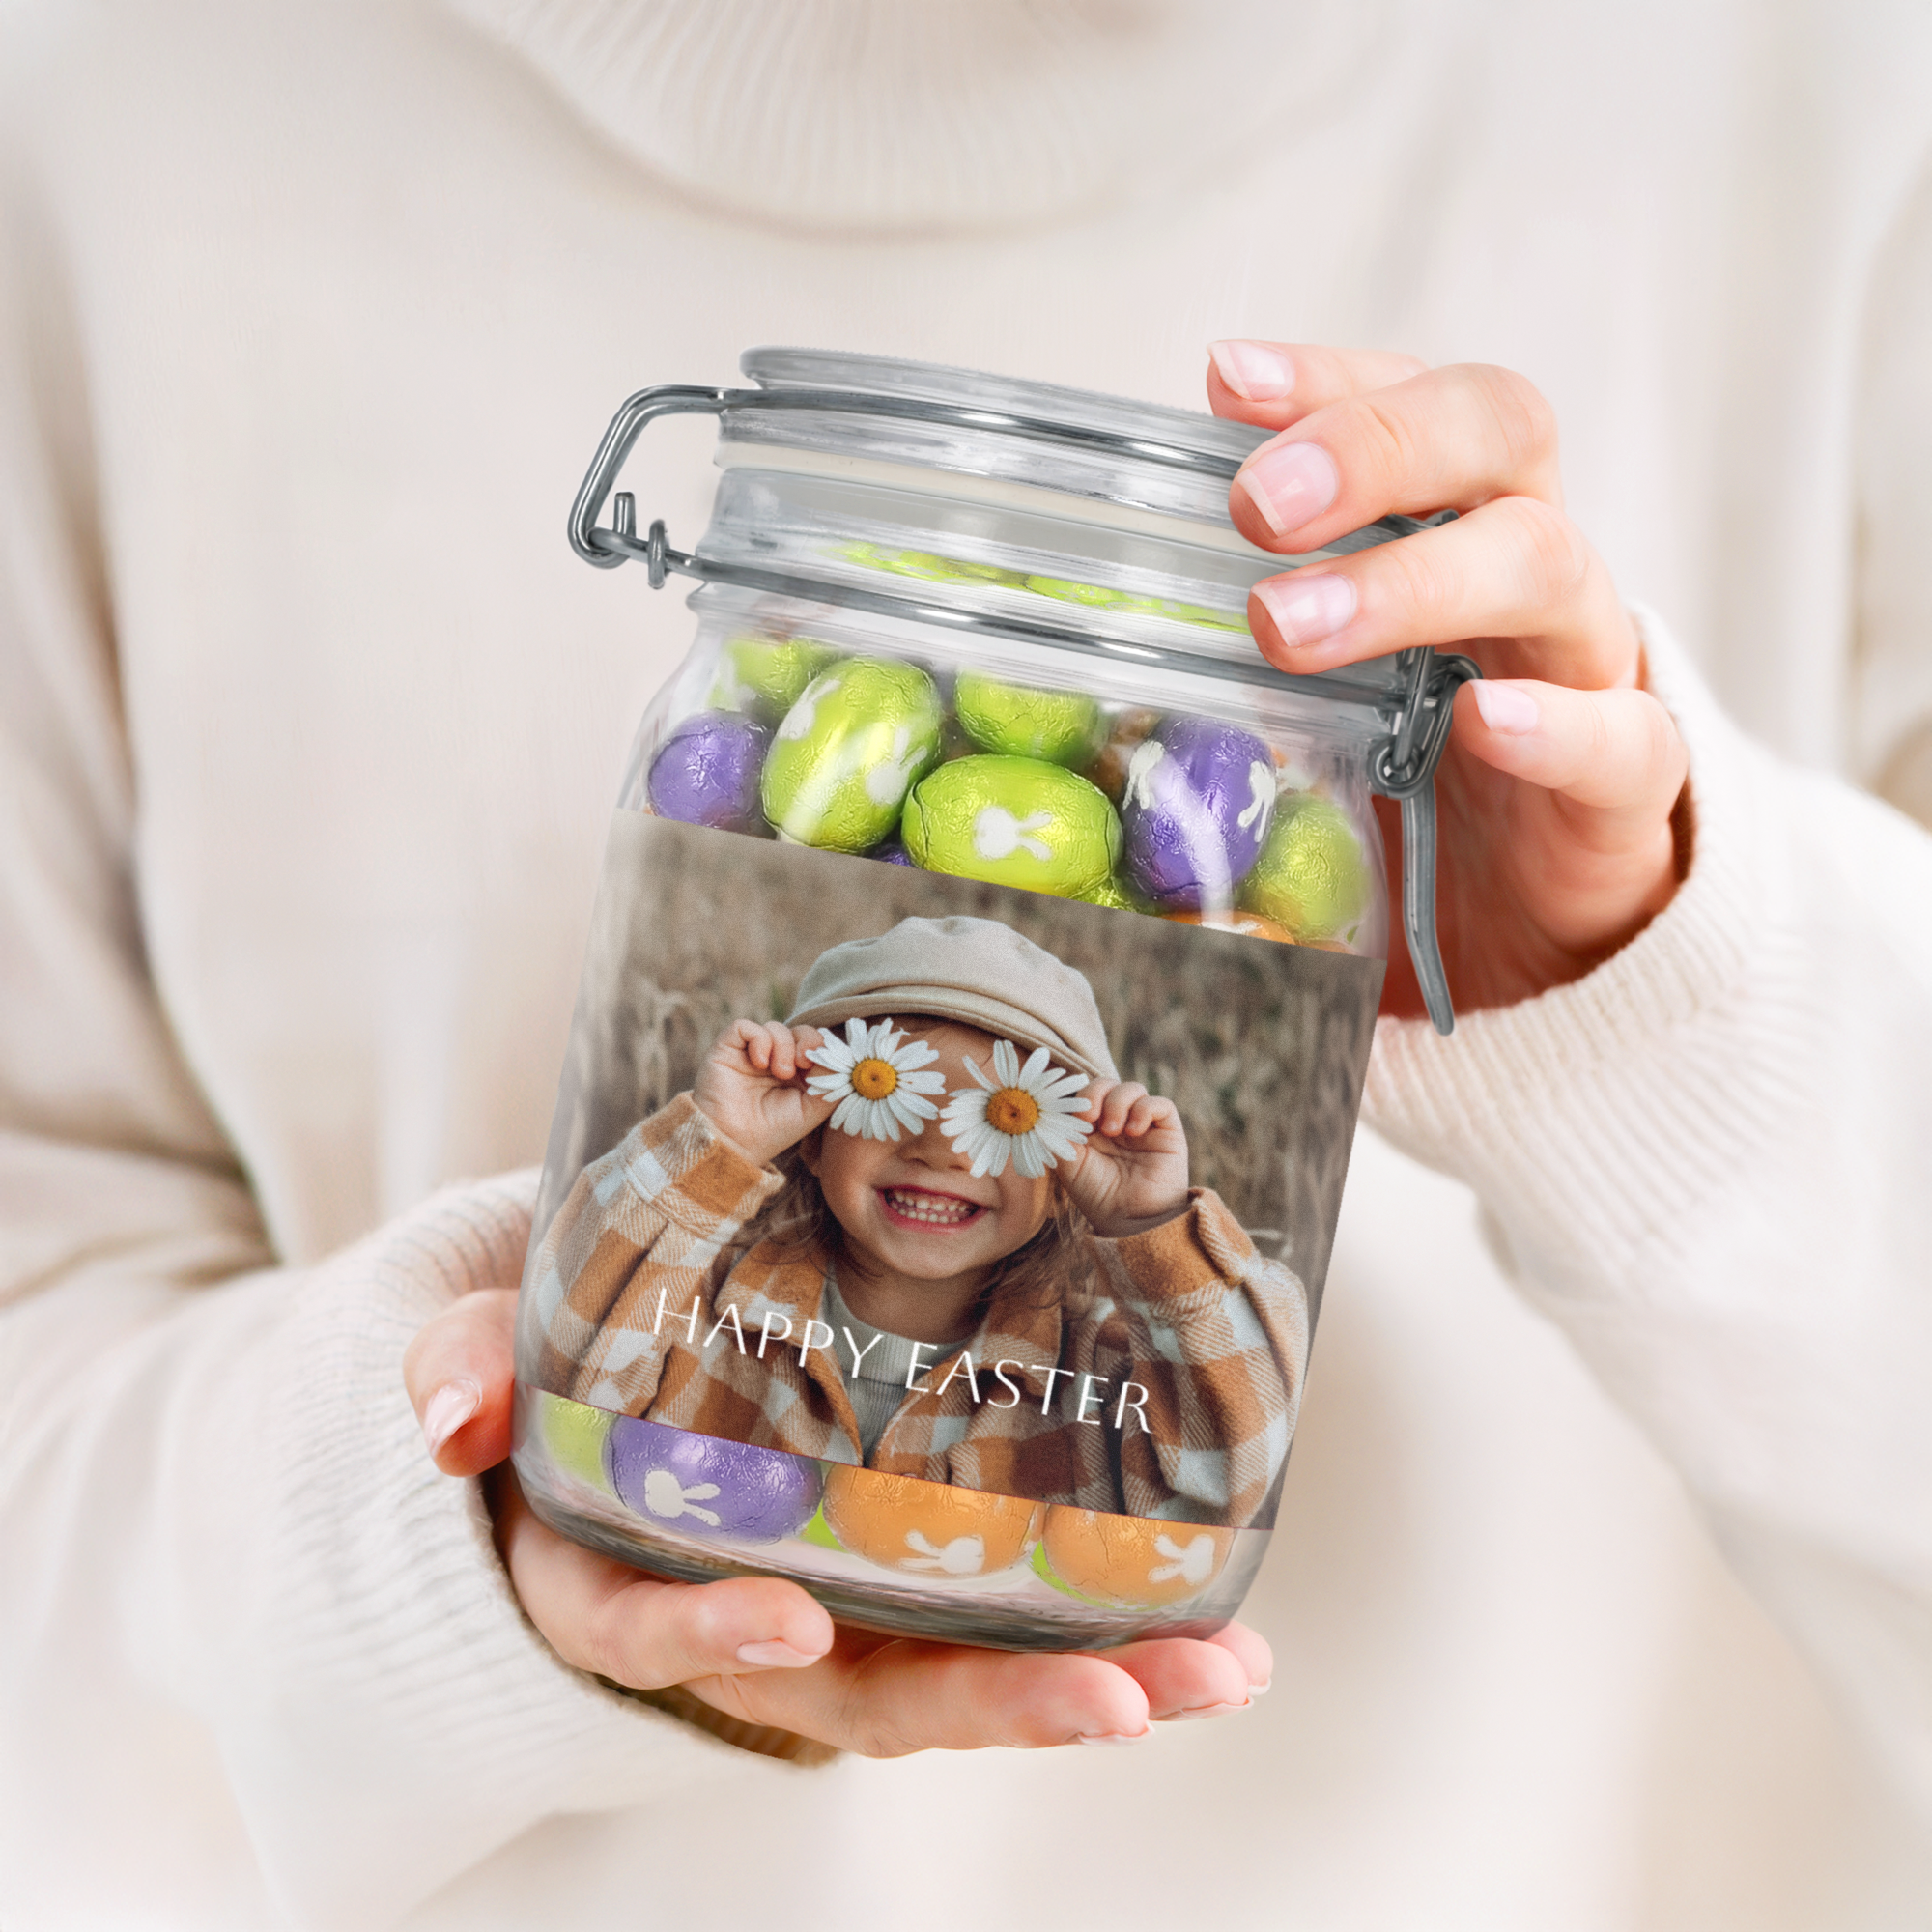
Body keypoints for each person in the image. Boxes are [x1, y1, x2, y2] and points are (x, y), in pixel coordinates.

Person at [4, 3, 1929, 1926]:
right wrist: (419, 1522)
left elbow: (1216, 1383)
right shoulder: (100, 124)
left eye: (1001, 1095)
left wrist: (1652, 1003)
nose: (943, 1140)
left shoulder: (1825, 92)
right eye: (888, 1081)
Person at [524, 917, 1307, 1520]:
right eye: (887, 1090)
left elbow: (1222, 1483)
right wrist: (717, 1146)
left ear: (1070, 1169)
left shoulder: (1107, 1378)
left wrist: (1154, 1228)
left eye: (1006, 1115)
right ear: (812, 1134)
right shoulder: (691, 1310)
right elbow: (566, 1360)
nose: (942, 1148)